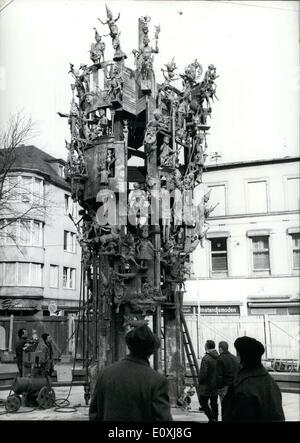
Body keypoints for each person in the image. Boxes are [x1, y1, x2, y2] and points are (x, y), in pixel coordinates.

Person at [89, 324, 173, 422]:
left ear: (129, 346)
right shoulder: (157, 381)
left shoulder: (105, 374)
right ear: (151, 351)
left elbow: (94, 415)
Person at [223, 336, 285, 422]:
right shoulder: (270, 382)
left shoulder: (243, 389)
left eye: (237, 354)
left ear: (243, 358)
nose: (236, 357)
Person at [216, 341, 240, 420]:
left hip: (224, 387)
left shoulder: (220, 359)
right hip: (235, 386)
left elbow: (219, 375)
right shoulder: (234, 358)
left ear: (220, 348)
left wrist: (219, 387)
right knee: (233, 408)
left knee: (225, 407)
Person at [198, 340, 219, 422]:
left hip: (206, 386)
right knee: (214, 403)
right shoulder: (219, 357)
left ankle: (211, 418)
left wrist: (200, 381)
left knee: (203, 402)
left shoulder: (206, 358)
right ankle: (215, 419)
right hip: (215, 385)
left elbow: (203, 373)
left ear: (207, 346)